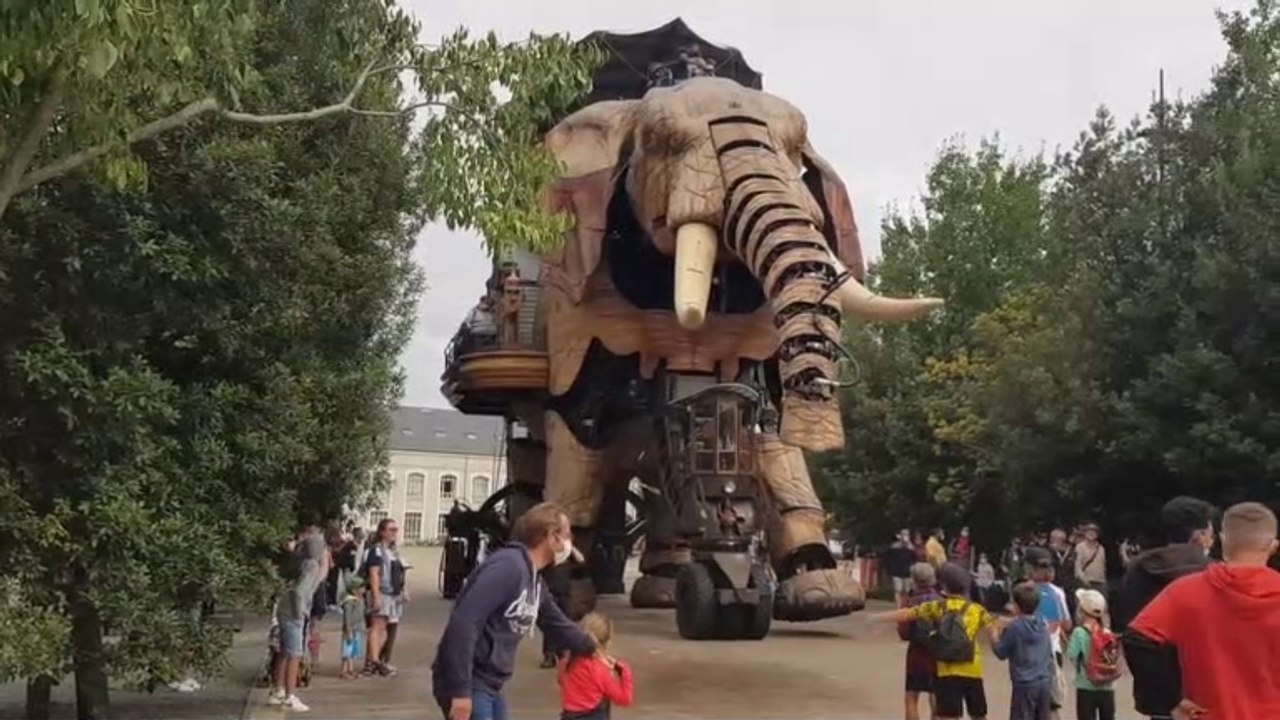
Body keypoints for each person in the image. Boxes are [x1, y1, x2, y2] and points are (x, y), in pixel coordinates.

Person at [431, 502, 596, 720]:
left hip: (490, 683)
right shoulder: (508, 567)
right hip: (471, 679)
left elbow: (554, 622)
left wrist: (592, 648)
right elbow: (464, 623)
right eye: (567, 534)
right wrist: (460, 691)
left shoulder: (533, 578)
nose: (570, 542)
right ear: (551, 536)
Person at [1126, 501, 1280, 720]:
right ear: (1273, 546)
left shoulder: (1186, 592)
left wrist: (1170, 700)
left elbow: (1137, 639)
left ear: (1223, 539)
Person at [1114, 496, 1216, 720]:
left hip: (1158, 692)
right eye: (1210, 532)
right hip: (1204, 691)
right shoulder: (1214, 574)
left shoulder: (1138, 569)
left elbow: (1130, 629)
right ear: (1198, 536)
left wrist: (1165, 697)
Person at [873, 562, 995, 720]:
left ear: (943, 585)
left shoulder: (936, 606)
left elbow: (906, 617)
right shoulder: (976, 609)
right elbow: (995, 624)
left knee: (939, 710)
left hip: (939, 665)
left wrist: (878, 618)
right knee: (977, 714)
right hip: (971, 667)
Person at [267, 528, 328, 712]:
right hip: (295, 612)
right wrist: (301, 612)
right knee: (295, 653)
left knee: (284, 652)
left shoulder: (296, 561)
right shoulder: (311, 566)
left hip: (284, 609)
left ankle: (278, 690)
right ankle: (290, 695)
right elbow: (301, 591)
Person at [991, 582, 1053, 720]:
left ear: (1017, 606)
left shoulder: (1015, 628)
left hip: (1024, 683)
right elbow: (1025, 621)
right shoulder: (1043, 622)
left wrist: (995, 633)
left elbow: (1001, 652)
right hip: (1043, 680)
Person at [557, 612, 635, 720]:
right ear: (607, 642)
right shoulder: (599, 669)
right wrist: (624, 670)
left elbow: (562, 682)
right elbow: (624, 699)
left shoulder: (565, 663)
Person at [1024, 547, 1071, 718]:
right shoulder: (1057, 592)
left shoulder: (1024, 591)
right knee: (1051, 703)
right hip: (1052, 651)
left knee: (1028, 702)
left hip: (1029, 653)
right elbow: (1066, 624)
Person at [897, 562, 941, 720]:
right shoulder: (942, 602)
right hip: (938, 655)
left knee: (911, 697)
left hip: (916, 655)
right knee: (936, 696)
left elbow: (903, 633)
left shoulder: (910, 602)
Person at [362, 518, 405, 677]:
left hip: (392, 595)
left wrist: (402, 590)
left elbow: (399, 573)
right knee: (377, 627)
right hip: (382, 592)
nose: (395, 533)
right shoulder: (376, 551)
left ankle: (376, 660)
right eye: (391, 530)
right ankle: (374, 661)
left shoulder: (392, 552)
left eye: (396, 530)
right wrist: (376, 596)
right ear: (382, 532)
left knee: (384, 630)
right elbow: (374, 574)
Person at [1067, 589, 1117, 720]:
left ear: (1082, 610)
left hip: (1085, 686)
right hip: (1107, 687)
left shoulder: (1079, 632)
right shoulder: (1107, 631)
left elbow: (1072, 654)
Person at [339, 577, 367, 680]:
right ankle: (344, 670)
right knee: (346, 651)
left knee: (353, 651)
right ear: (355, 590)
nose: (363, 590)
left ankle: (351, 669)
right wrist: (348, 630)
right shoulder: (350, 602)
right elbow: (348, 618)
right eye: (361, 588)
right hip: (350, 630)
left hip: (357, 629)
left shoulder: (360, 600)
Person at [1074, 523, 1108, 595]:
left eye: (1094, 531)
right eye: (1089, 531)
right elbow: (1077, 565)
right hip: (1086, 582)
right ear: (1085, 533)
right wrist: (1082, 579)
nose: (1091, 533)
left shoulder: (1101, 548)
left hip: (1100, 582)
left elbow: (1103, 565)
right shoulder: (1080, 547)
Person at [887, 530, 919, 607]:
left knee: (906, 591)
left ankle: (904, 606)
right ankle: (898, 607)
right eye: (903, 535)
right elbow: (889, 558)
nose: (905, 537)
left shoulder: (911, 549)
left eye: (906, 535)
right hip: (896, 572)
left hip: (907, 573)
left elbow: (915, 559)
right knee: (898, 590)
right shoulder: (894, 547)